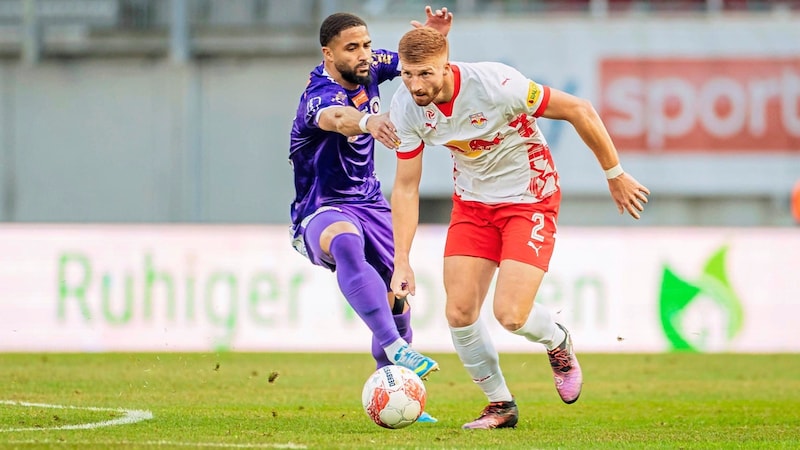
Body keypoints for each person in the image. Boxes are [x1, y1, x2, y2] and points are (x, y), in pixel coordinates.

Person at [388, 27, 651, 429]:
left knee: (510, 314)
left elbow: (579, 109)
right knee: (459, 312)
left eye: (425, 74)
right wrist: (401, 260)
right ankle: (500, 405)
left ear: (446, 64)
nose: (415, 85)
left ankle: (557, 341)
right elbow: (406, 187)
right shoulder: (406, 107)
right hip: (473, 205)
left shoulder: (496, 84)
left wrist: (614, 174)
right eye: (407, 74)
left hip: (529, 196)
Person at [288, 7, 453, 422]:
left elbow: (418, 65)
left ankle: (398, 385)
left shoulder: (372, 65)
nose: (364, 54)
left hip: (371, 203)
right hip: (320, 207)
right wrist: (368, 120)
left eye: (365, 44)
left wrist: (433, 40)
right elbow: (338, 119)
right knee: (345, 240)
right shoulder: (318, 94)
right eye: (351, 48)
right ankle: (395, 346)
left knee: (398, 290)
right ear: (328, 54)